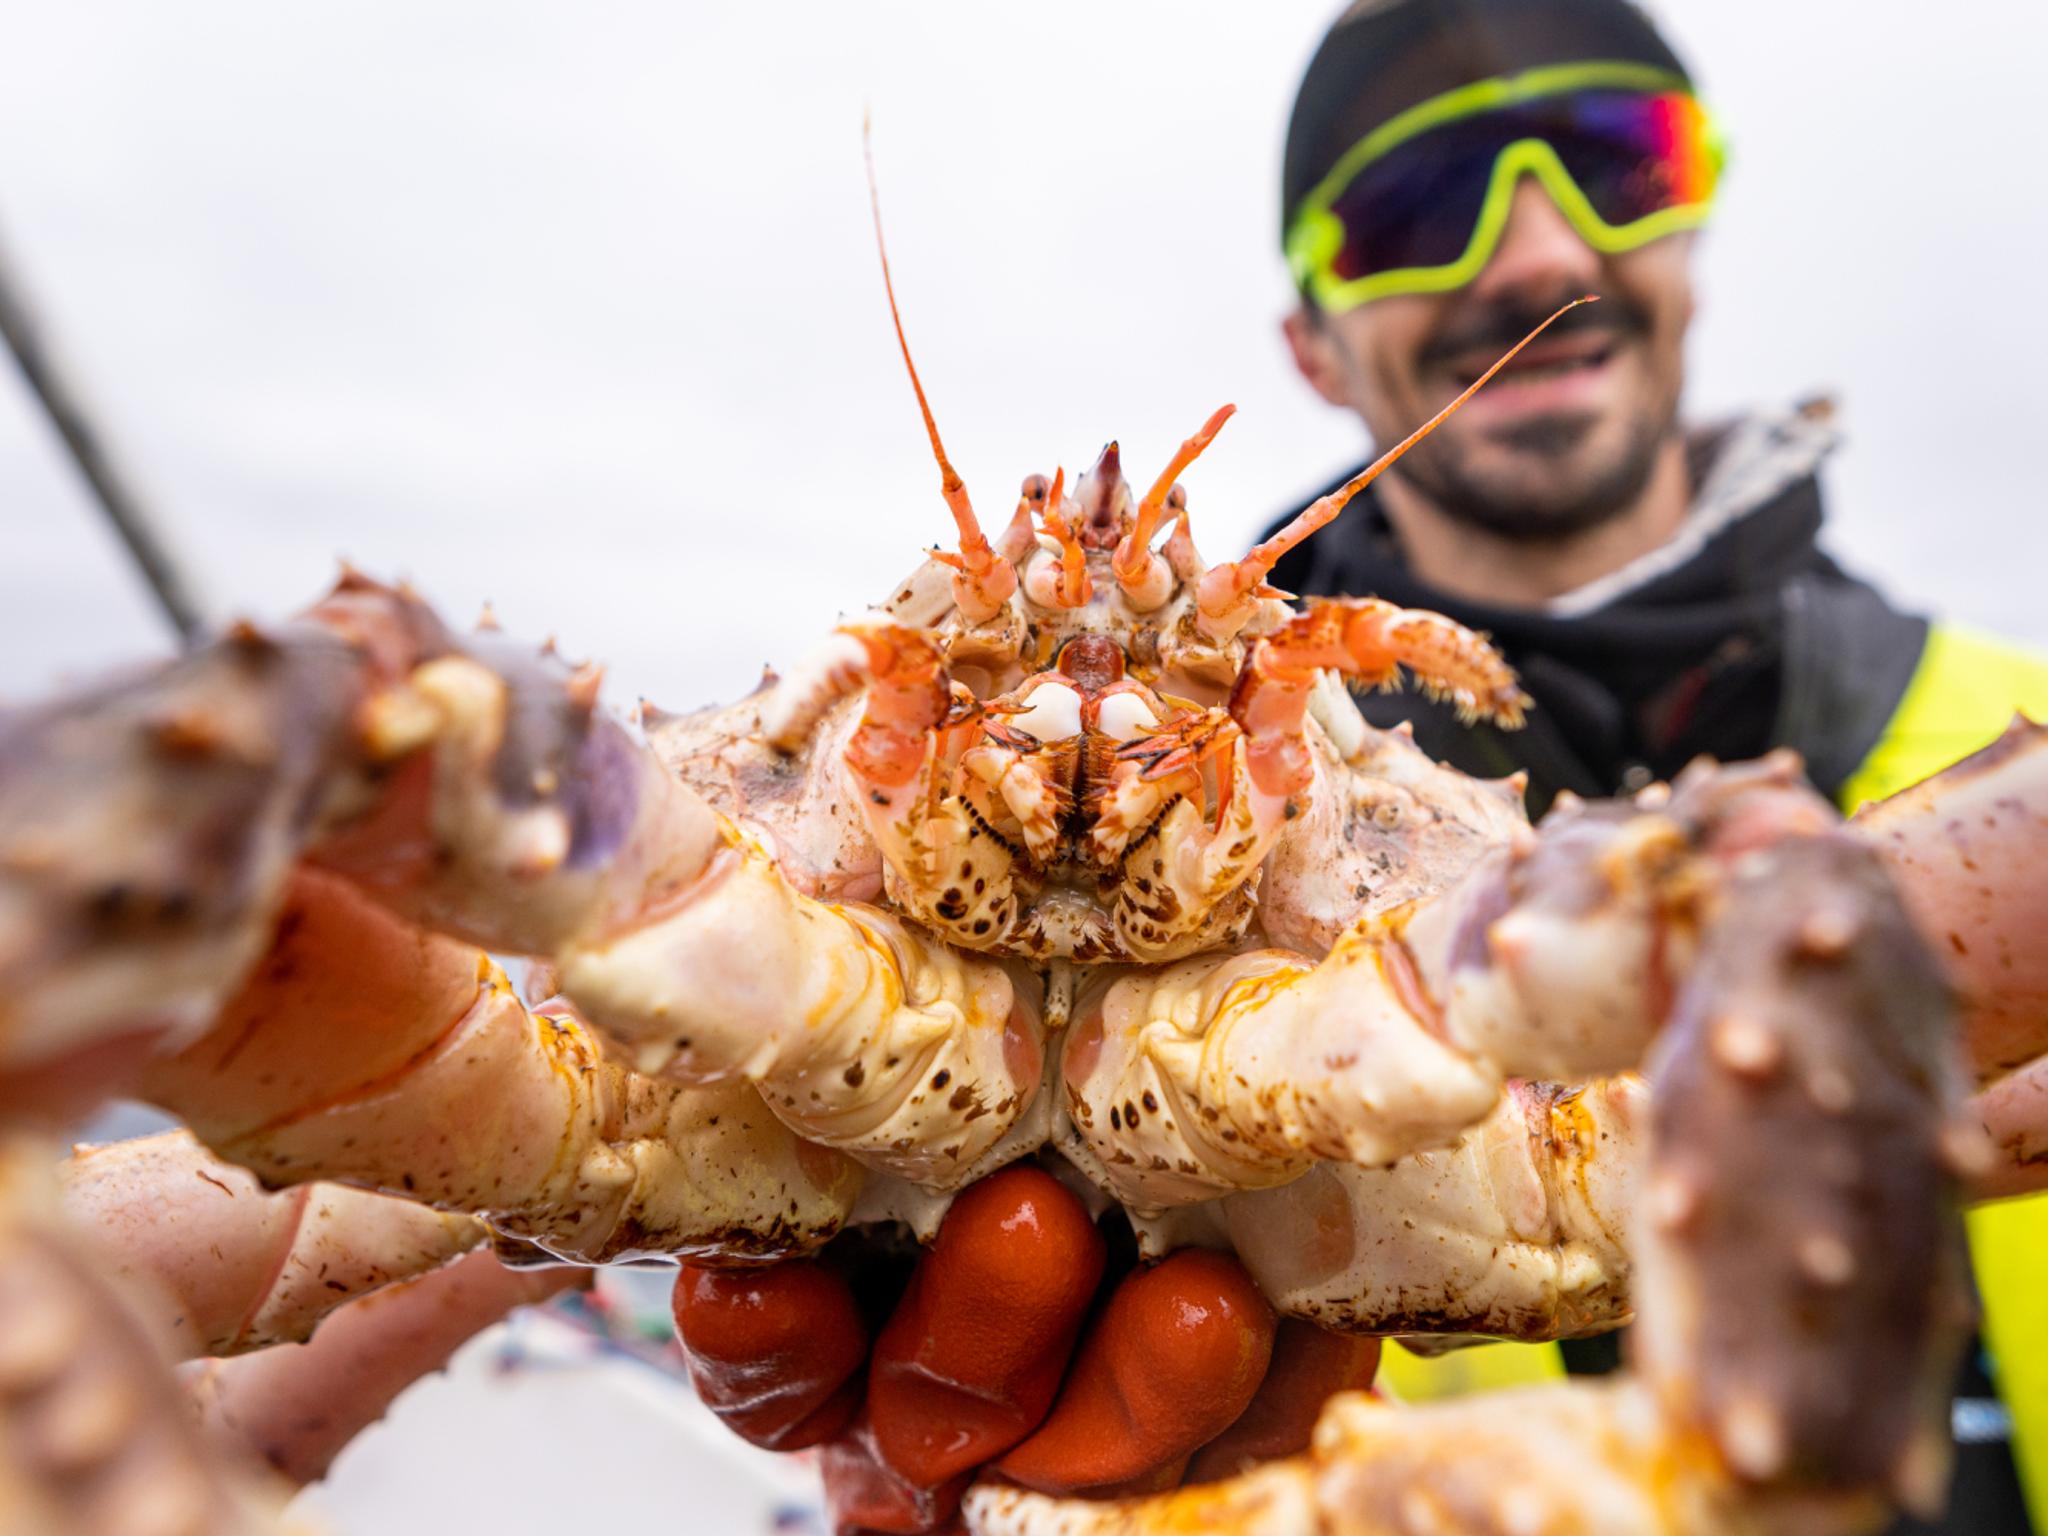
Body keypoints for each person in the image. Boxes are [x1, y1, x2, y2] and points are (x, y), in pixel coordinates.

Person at [1266, 2, 2048, 1532]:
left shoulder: (2007, 752)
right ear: (1307, 343)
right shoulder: (1224, 838)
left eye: (1621, 170)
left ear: (1695, 237)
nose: (1542, 262)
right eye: (1416, 212)